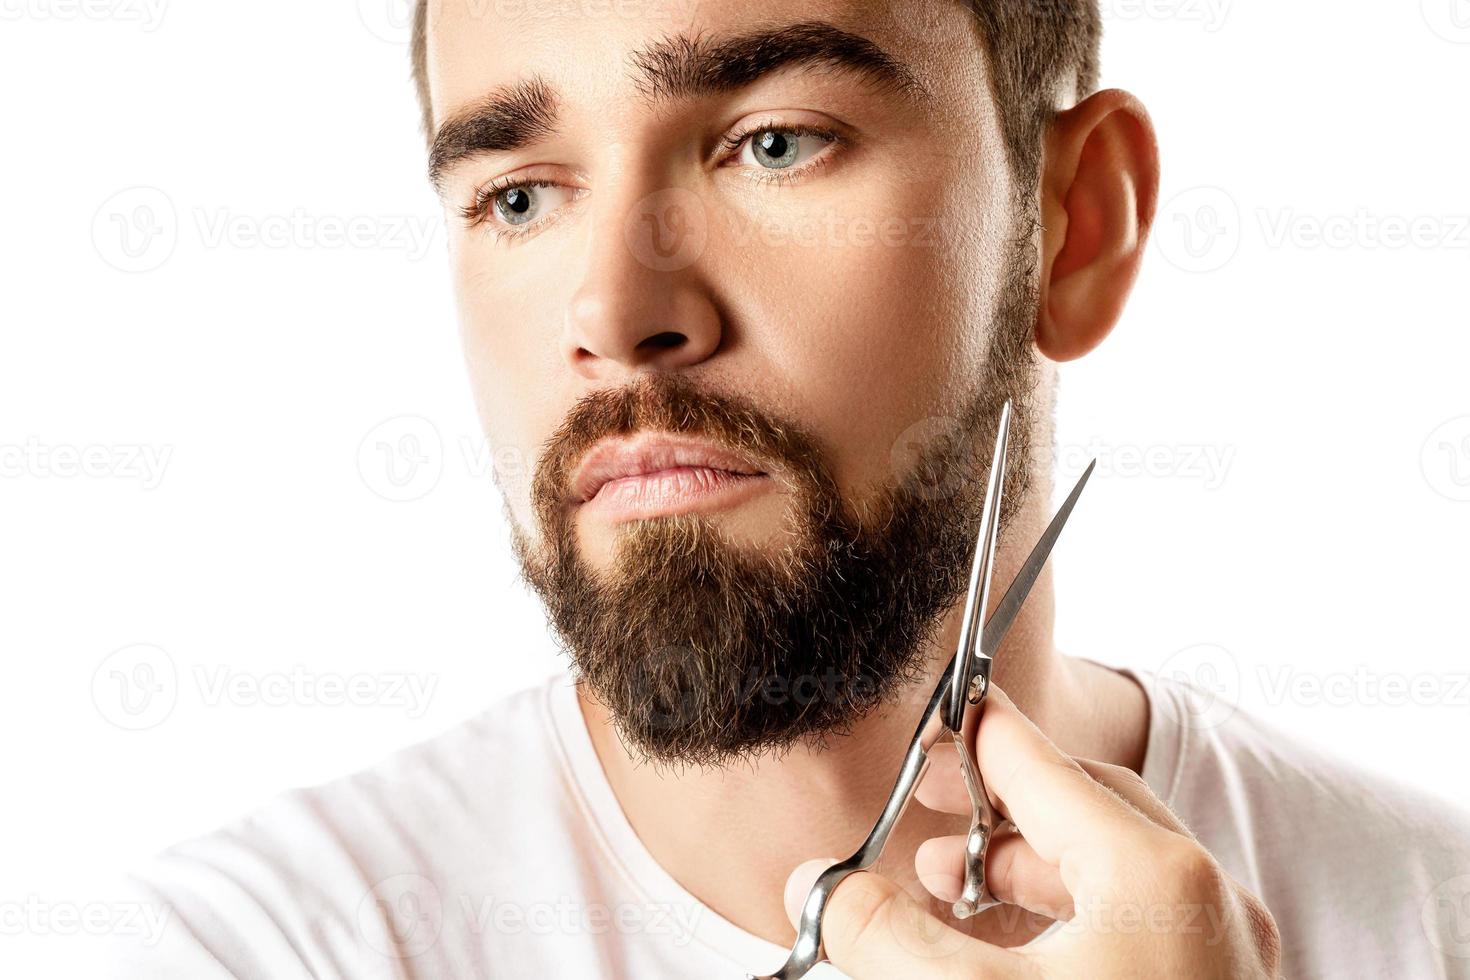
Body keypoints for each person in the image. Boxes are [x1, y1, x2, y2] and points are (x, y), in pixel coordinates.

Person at [106, 1, 1470, 977]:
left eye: (772, 142)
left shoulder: (1431, 923)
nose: (614, 309)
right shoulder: (256, 949)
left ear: (1072, 227)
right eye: (519, 194)